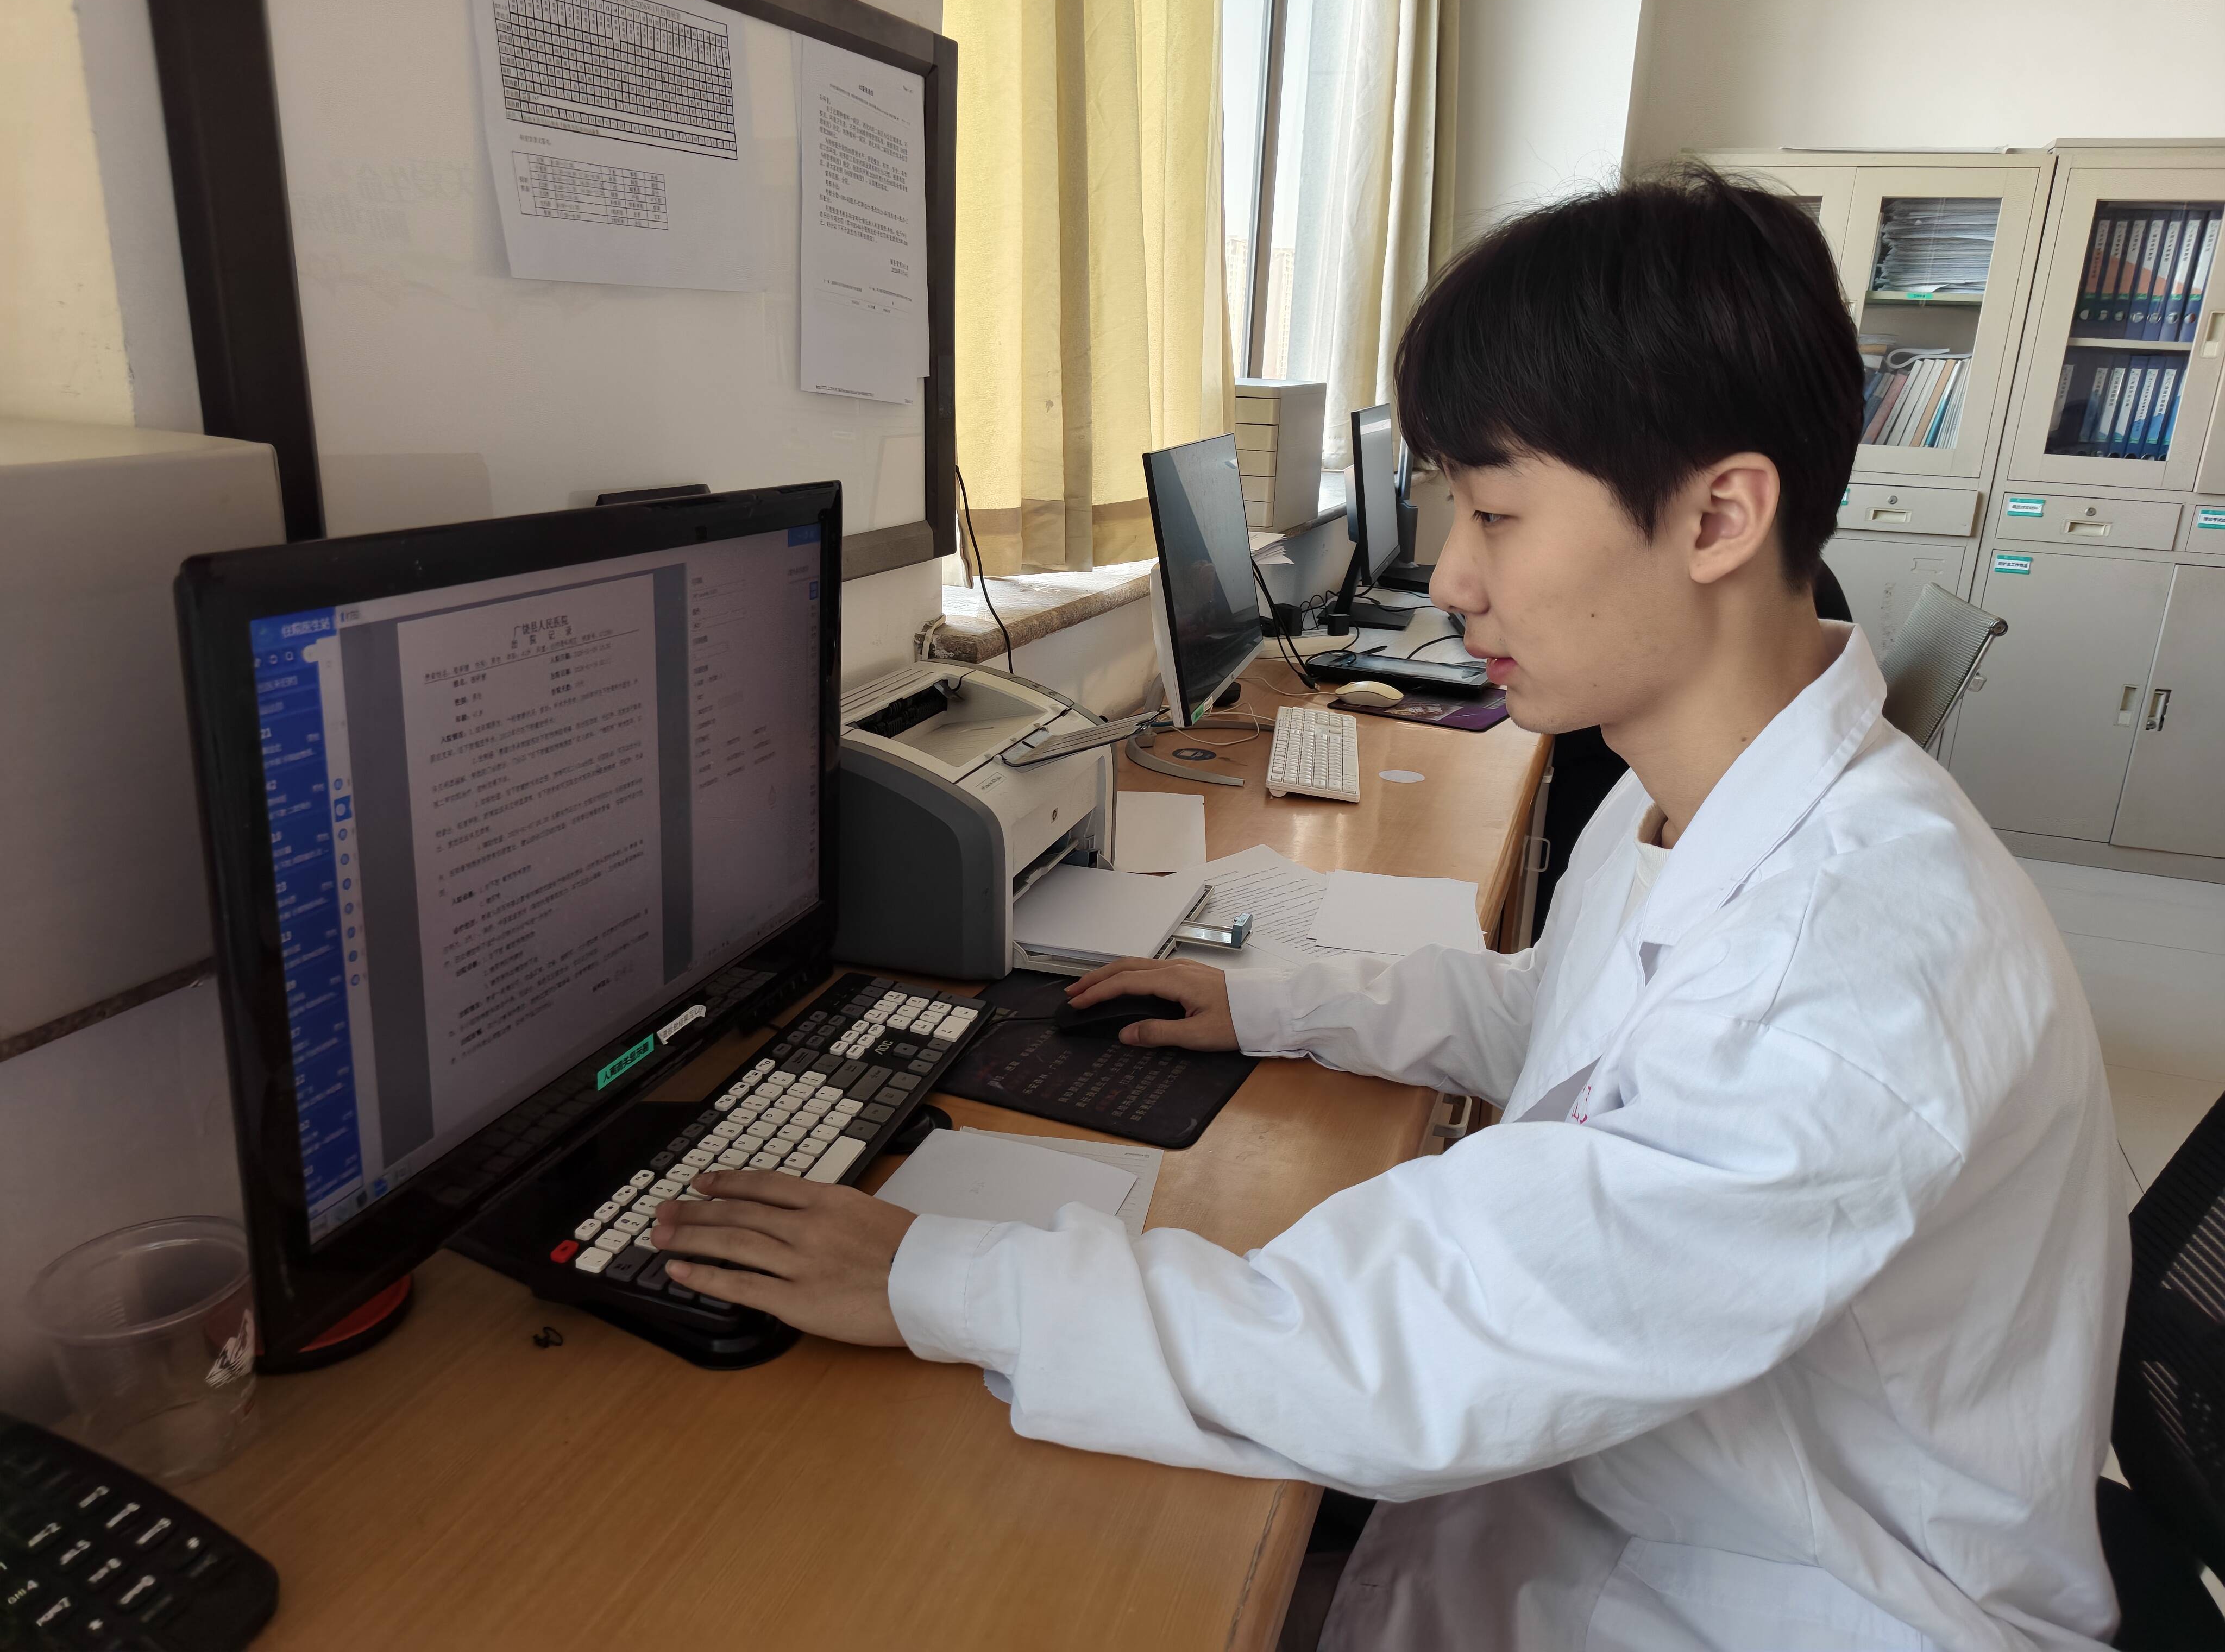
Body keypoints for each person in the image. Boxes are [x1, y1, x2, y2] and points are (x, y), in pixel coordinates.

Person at [652, 168, 2129, 1650]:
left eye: (1496, 511)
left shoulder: (1845, 963)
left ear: (1718, 516)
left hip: (1790, 1593)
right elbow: (1567, 1019)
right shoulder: (1698, 786)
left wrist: (935, 1274)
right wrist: (1274, 1001)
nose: (1459, 578)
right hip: (1644, 1495)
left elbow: (1414, 1349)